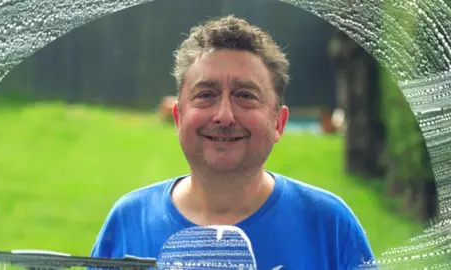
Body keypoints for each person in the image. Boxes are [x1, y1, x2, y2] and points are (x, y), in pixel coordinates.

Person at [90, 15, 375, 269]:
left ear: (278, 123)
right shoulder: (128, 222)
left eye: (245, 95)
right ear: (178, 118)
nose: (224, 115)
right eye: (205, 95)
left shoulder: (329, 226)